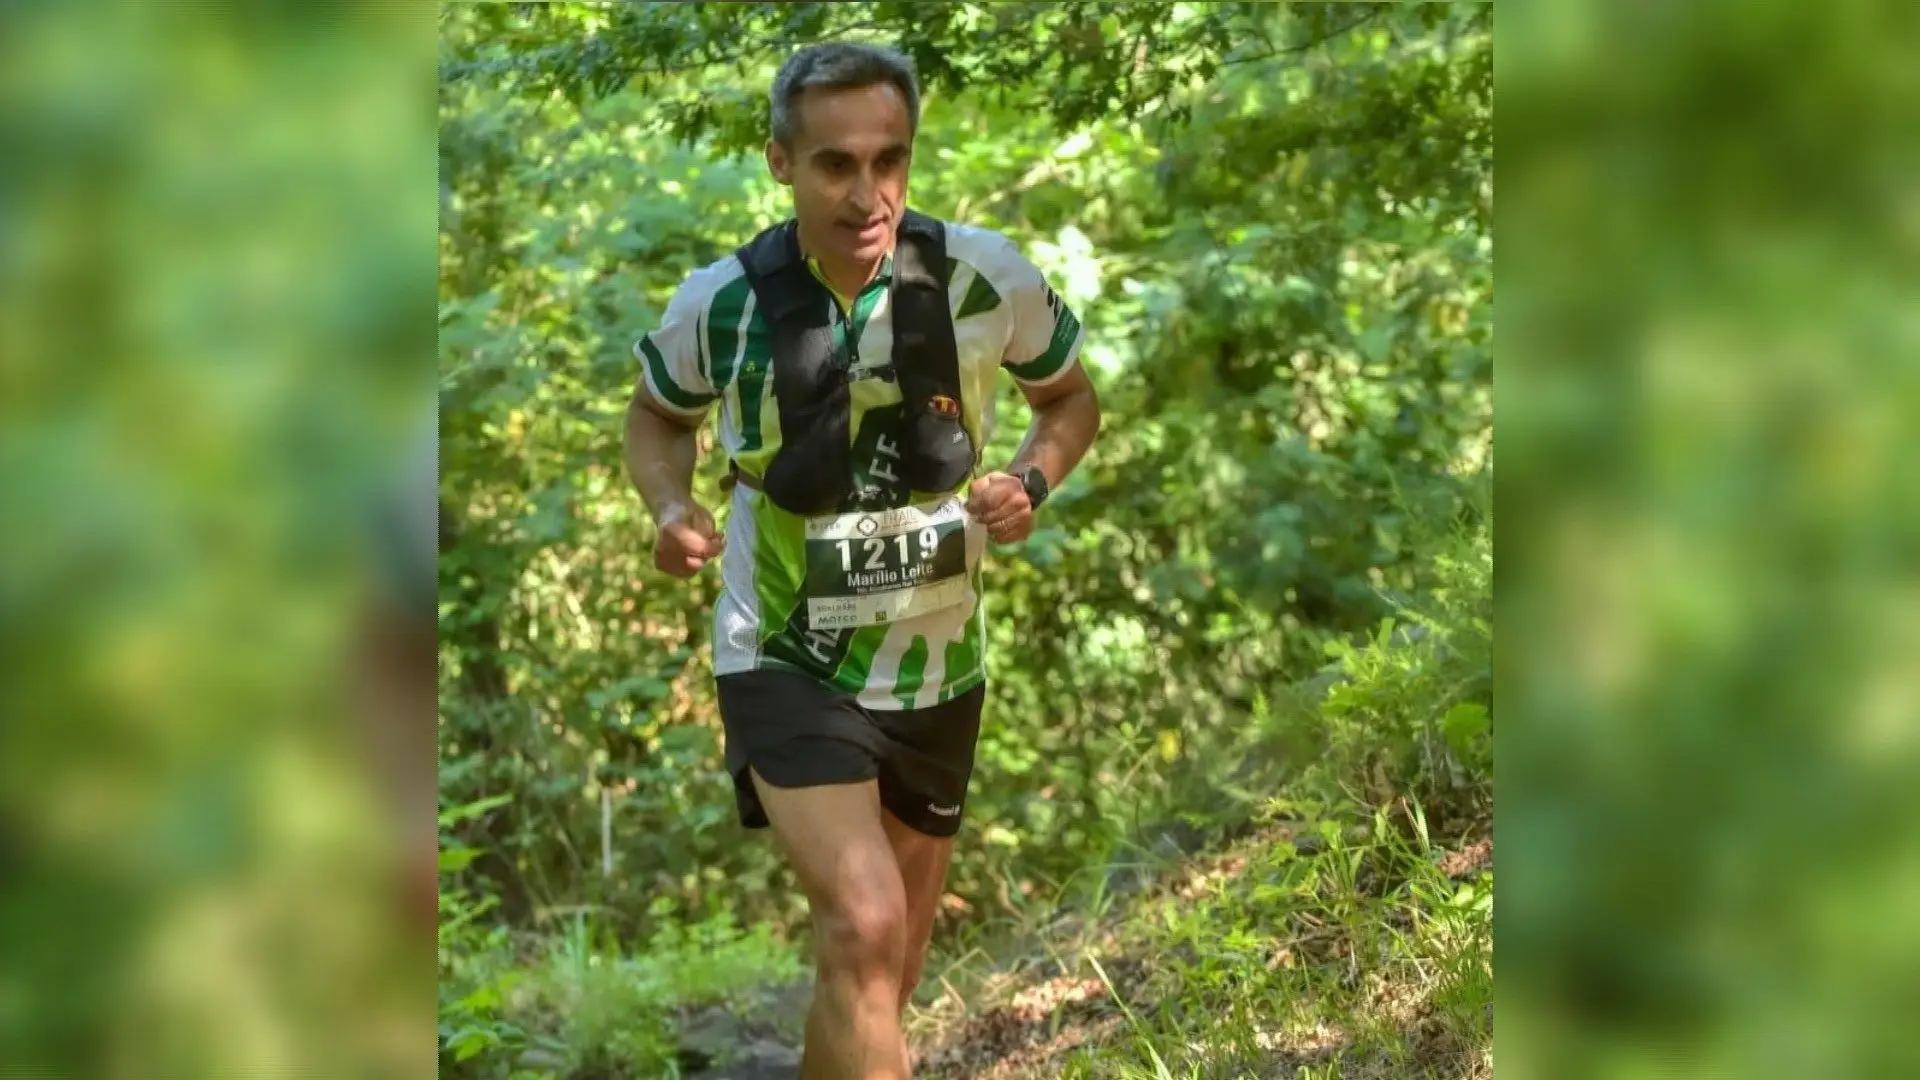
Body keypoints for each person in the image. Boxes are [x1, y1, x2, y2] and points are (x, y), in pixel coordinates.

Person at [622, 41, 1101, 1080]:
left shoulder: (984, 278)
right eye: (836, 163)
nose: (867, 191)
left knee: (884, 965)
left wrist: (1031, 481)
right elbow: (657, 417)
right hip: (783, 649)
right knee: (866, 922)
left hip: (939, 664)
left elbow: (1068, 400)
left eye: (890, 160)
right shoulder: (722, 303)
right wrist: (670, 506)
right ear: (780, 163)